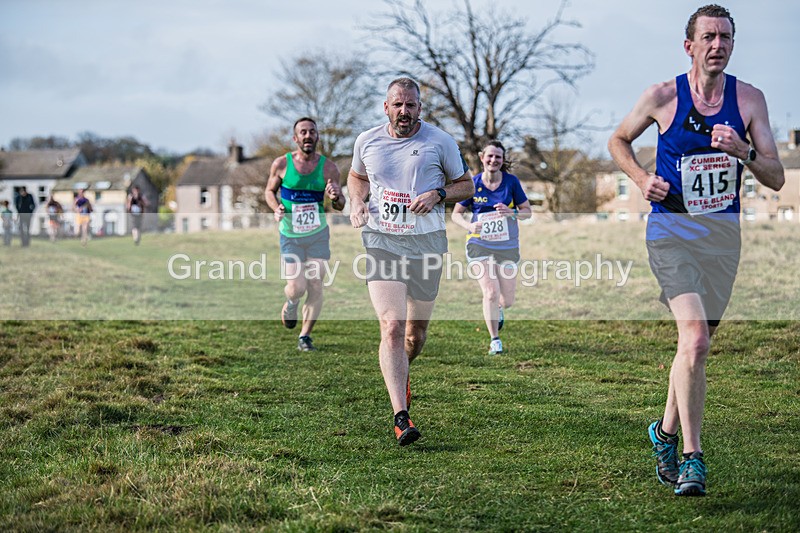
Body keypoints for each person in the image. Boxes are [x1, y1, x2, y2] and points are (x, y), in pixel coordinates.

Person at [608, 4, 784, 497]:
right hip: (670, 236)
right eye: (708, 36)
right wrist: (642, 178)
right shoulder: (663, 96)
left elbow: (776, 177)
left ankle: (662, 433)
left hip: (722, 243)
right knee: (697, 342)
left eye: (725, 37)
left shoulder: (749, 101)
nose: (717, 45)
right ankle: (692, 457)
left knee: (693, 348)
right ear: (689, 45)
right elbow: (618, 140)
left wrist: (744, 152)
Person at [348, 77, 474, 446]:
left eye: (411, 105)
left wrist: (438, 194)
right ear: (386, 107)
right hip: (382, 240)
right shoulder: (366, 141)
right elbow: (357, 178)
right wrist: (357, 202)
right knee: (391, 325)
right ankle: (400, 415)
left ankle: (401, 374)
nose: (404, 111)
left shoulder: (440, 141)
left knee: (413, 336)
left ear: (420, 108)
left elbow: (466, 186)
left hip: (427, 244)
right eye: (397, 105)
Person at [265, 117, 344, 352]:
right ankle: (291, 302)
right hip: (290, 235)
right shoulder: (281, 164)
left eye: (312, 132)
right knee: (298, 287)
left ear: (317, 136)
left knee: (316, 284)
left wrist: (336, 196)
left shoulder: (329, 168)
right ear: (295, 138)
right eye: (303, 132)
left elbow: (340, 205)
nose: (308, 136)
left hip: (318, 234)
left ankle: (305, 336)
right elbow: (269, 191)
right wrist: (275, 207)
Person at [451, 140, 532, 355]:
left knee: (507, 300)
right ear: (481, 157)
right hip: (479, 243)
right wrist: (469, 225)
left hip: (506, 245)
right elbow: (455, 214)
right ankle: (495, 340)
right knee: (490, 291)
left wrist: (511, 212)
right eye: (490, 156)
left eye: (498, 157)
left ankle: (498, 309)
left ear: (503, 160)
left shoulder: (512, 183)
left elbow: (527, 212)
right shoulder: (473, 184)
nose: (493, 160)